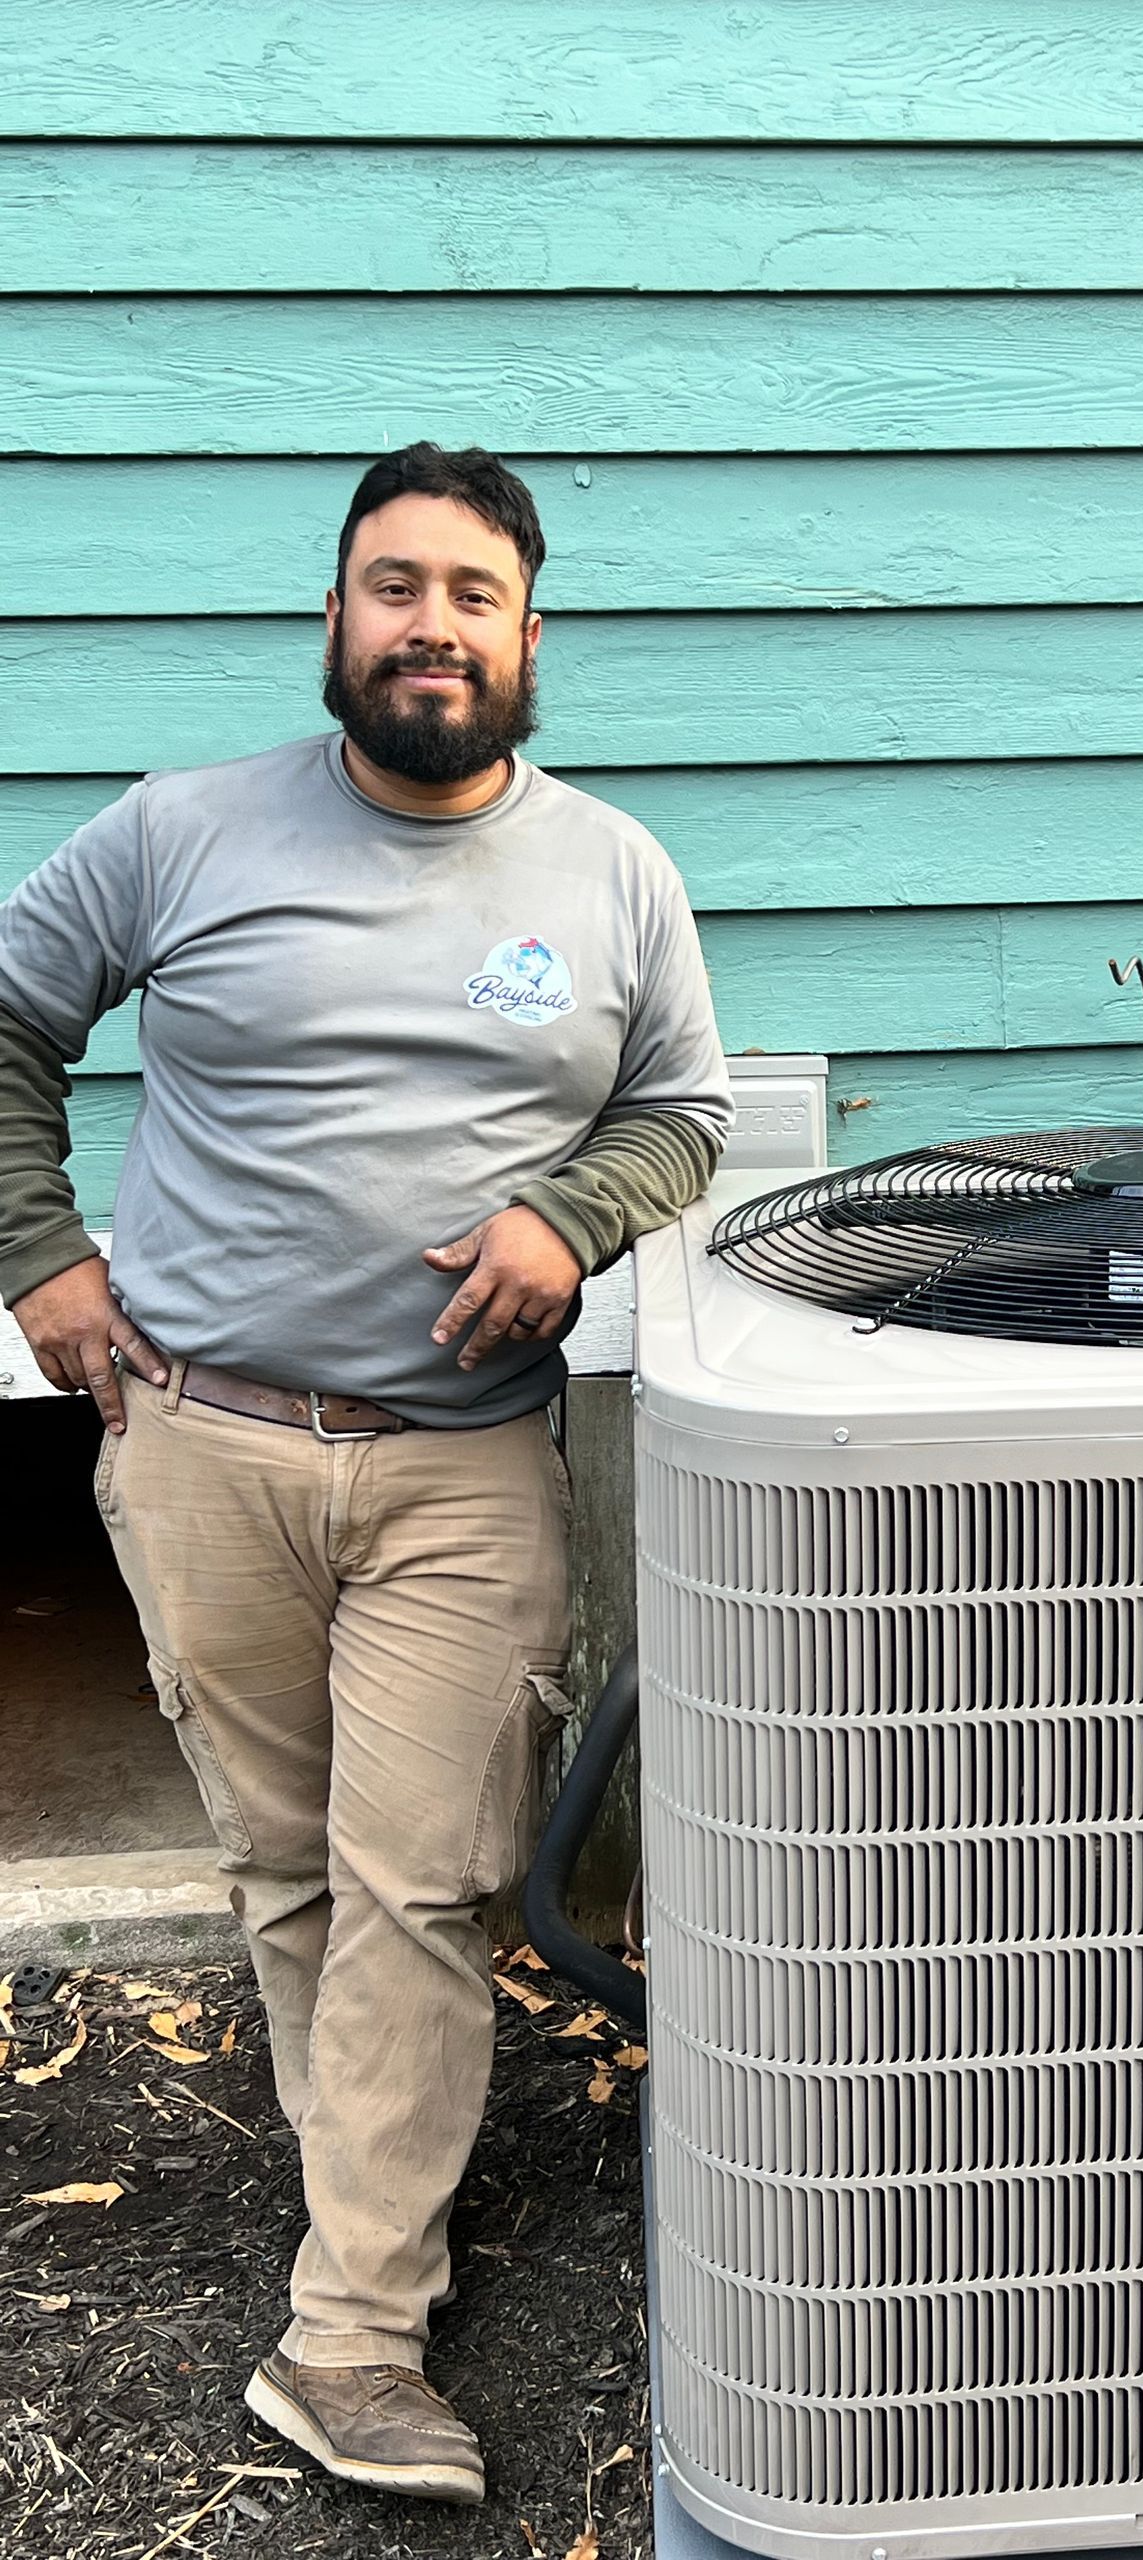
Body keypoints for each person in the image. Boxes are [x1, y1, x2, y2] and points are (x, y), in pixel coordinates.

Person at [0, 443, 732, 2503]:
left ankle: (352, 2333)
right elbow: (2, 1022)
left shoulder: (610, 874)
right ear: (336, 614)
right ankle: (377, 2203)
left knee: (419, 1877)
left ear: (526, 635)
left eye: (471, 591)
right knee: (293, 1862)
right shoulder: (179, 833)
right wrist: (42, 1263)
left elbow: (677, 1112)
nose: (429, 621)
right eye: (392, 582)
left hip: (463, 1469)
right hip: (204, 1443)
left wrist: (566, 1220)